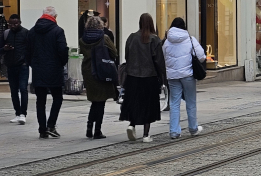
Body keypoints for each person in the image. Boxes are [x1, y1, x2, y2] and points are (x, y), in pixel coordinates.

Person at [120, 13, 165, 142]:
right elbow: (159, 61)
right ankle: (146, 135)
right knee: (148, 105)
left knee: (134, 102)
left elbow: (127, 56)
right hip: (149, 77)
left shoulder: (131, 38)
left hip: (133, 76)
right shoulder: (154, 40)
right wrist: (162, 77)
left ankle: (132, 125)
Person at [27, 6, 68, 139]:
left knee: (40, 101)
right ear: (54, 17)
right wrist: (61, 64)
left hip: (38, 69)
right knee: (57, 97)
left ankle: (42, 129)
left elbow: (27, 51)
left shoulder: (33, 31)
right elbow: (62, 51)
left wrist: (33, 64)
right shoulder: (58, 31)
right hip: (54, 69)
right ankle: (51, 125)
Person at [163, 17, 205, 138]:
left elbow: (164, 57)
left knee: (174, 103)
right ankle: (193, 128)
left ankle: (174, 131)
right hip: (188, 75)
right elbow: (201, 56)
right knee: (191, 102)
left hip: (172, 76)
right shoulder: (190, 39)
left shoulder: (167, 41)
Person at [79, 16, 118, 139]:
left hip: (88, 71)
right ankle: (97, 130)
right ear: (100, 25)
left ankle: (89, 127)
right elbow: (114, 52)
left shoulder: (83, 39)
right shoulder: (104, 38)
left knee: (94, 101)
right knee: (100, 102)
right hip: (101, 70)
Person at [0, 14, 29, 125]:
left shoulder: (26, 33)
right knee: (14, 91)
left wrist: (26, 61)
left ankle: (23, 114)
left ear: (20, 22)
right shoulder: (6, 34)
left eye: (15, 23)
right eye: (10, 24)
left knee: (23, 88)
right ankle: (17, 113)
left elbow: (31, 49)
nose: (12, 26)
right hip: (11, 66)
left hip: (23, 66)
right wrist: (5, 49)